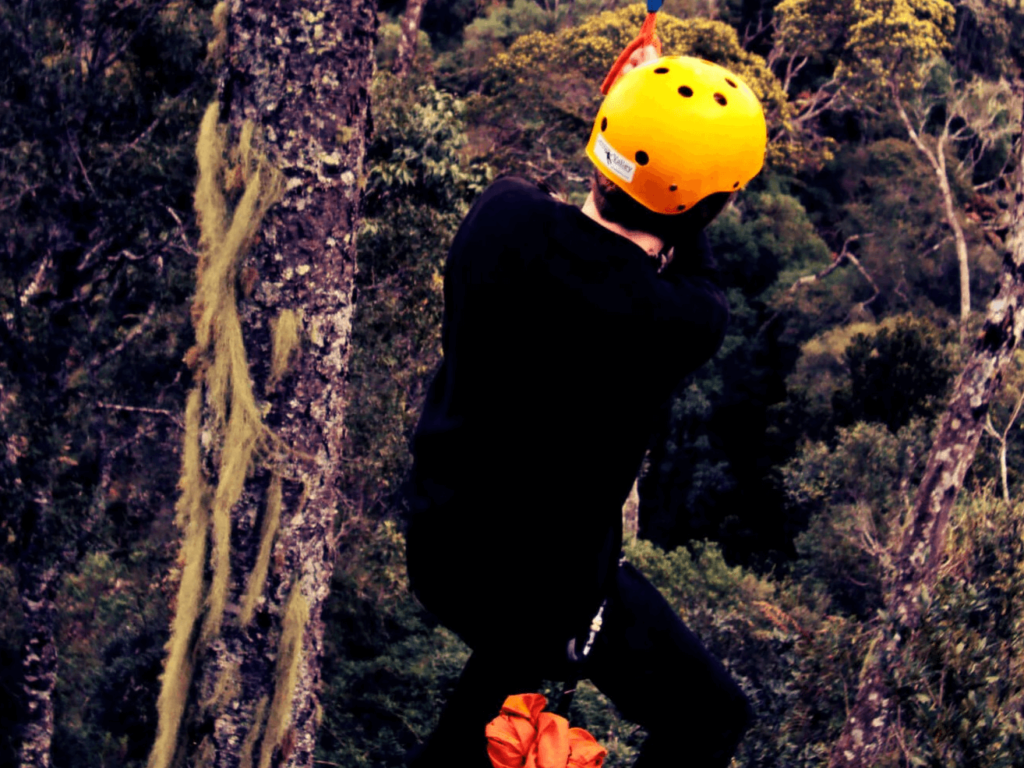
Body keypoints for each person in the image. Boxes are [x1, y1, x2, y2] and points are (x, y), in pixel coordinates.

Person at [403, 48, 768, 768]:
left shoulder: (500, 215)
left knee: (497, 696)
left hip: (443, 544)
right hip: (544, 595)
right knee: (712, 719)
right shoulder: (676, 319)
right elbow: (693, 258)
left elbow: (602, 217)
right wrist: (666, 152)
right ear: (709, 206)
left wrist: (639, 122)